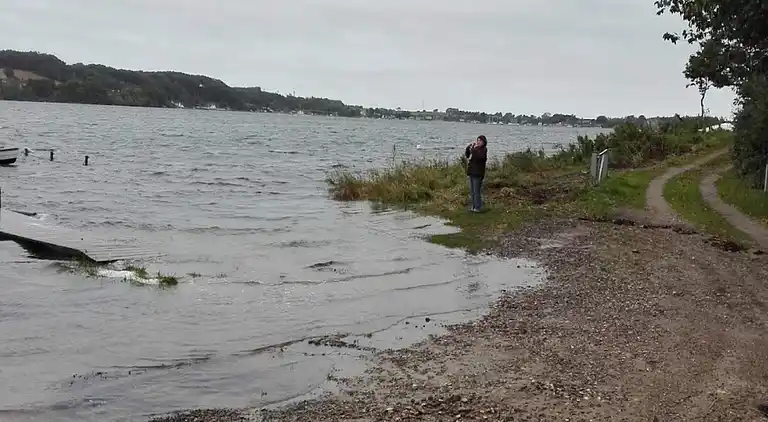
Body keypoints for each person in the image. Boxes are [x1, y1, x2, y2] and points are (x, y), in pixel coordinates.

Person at [464, 135, 488, 212]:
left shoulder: (484, 150)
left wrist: (473, 149)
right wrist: (468, 148)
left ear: (484, 142)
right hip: (472, 172)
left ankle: (477, 208)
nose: (478, 142)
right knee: (472, 192)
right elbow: (467, 155)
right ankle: (473, 207)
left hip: (478, 173)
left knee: (476, 191)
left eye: (480, 141)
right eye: (478, 140)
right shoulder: (475, 149)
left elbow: (480, 157)